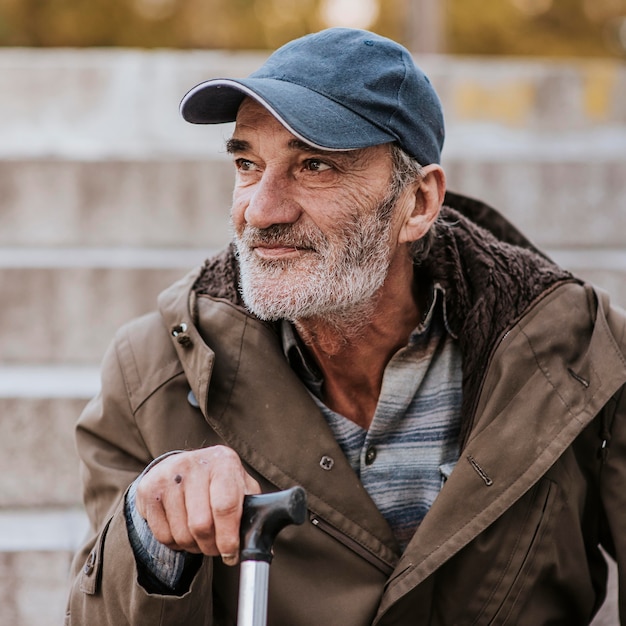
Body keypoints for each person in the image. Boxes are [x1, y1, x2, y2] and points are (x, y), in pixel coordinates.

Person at [65, 27, 626, 625]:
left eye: (314, 166)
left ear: (417, 203)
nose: (260, 210)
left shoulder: (580, 352)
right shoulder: (151, 371)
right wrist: (151, 535)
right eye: (248, 163)